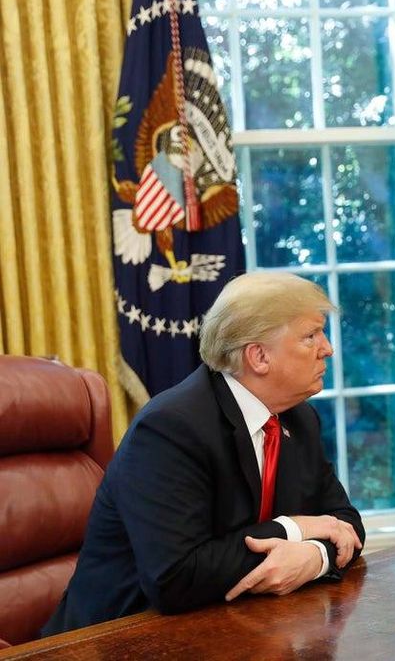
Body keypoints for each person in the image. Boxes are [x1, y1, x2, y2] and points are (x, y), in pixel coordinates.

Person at [43, 272, 365, 635]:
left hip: (236, 626)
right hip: (117, 638)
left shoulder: (298, 418)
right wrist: (296, 527)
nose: (327, 348)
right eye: (311, 336)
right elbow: (175, 578)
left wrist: (314, 556)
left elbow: (346, 524)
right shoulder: (170, 429)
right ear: (259, 356)